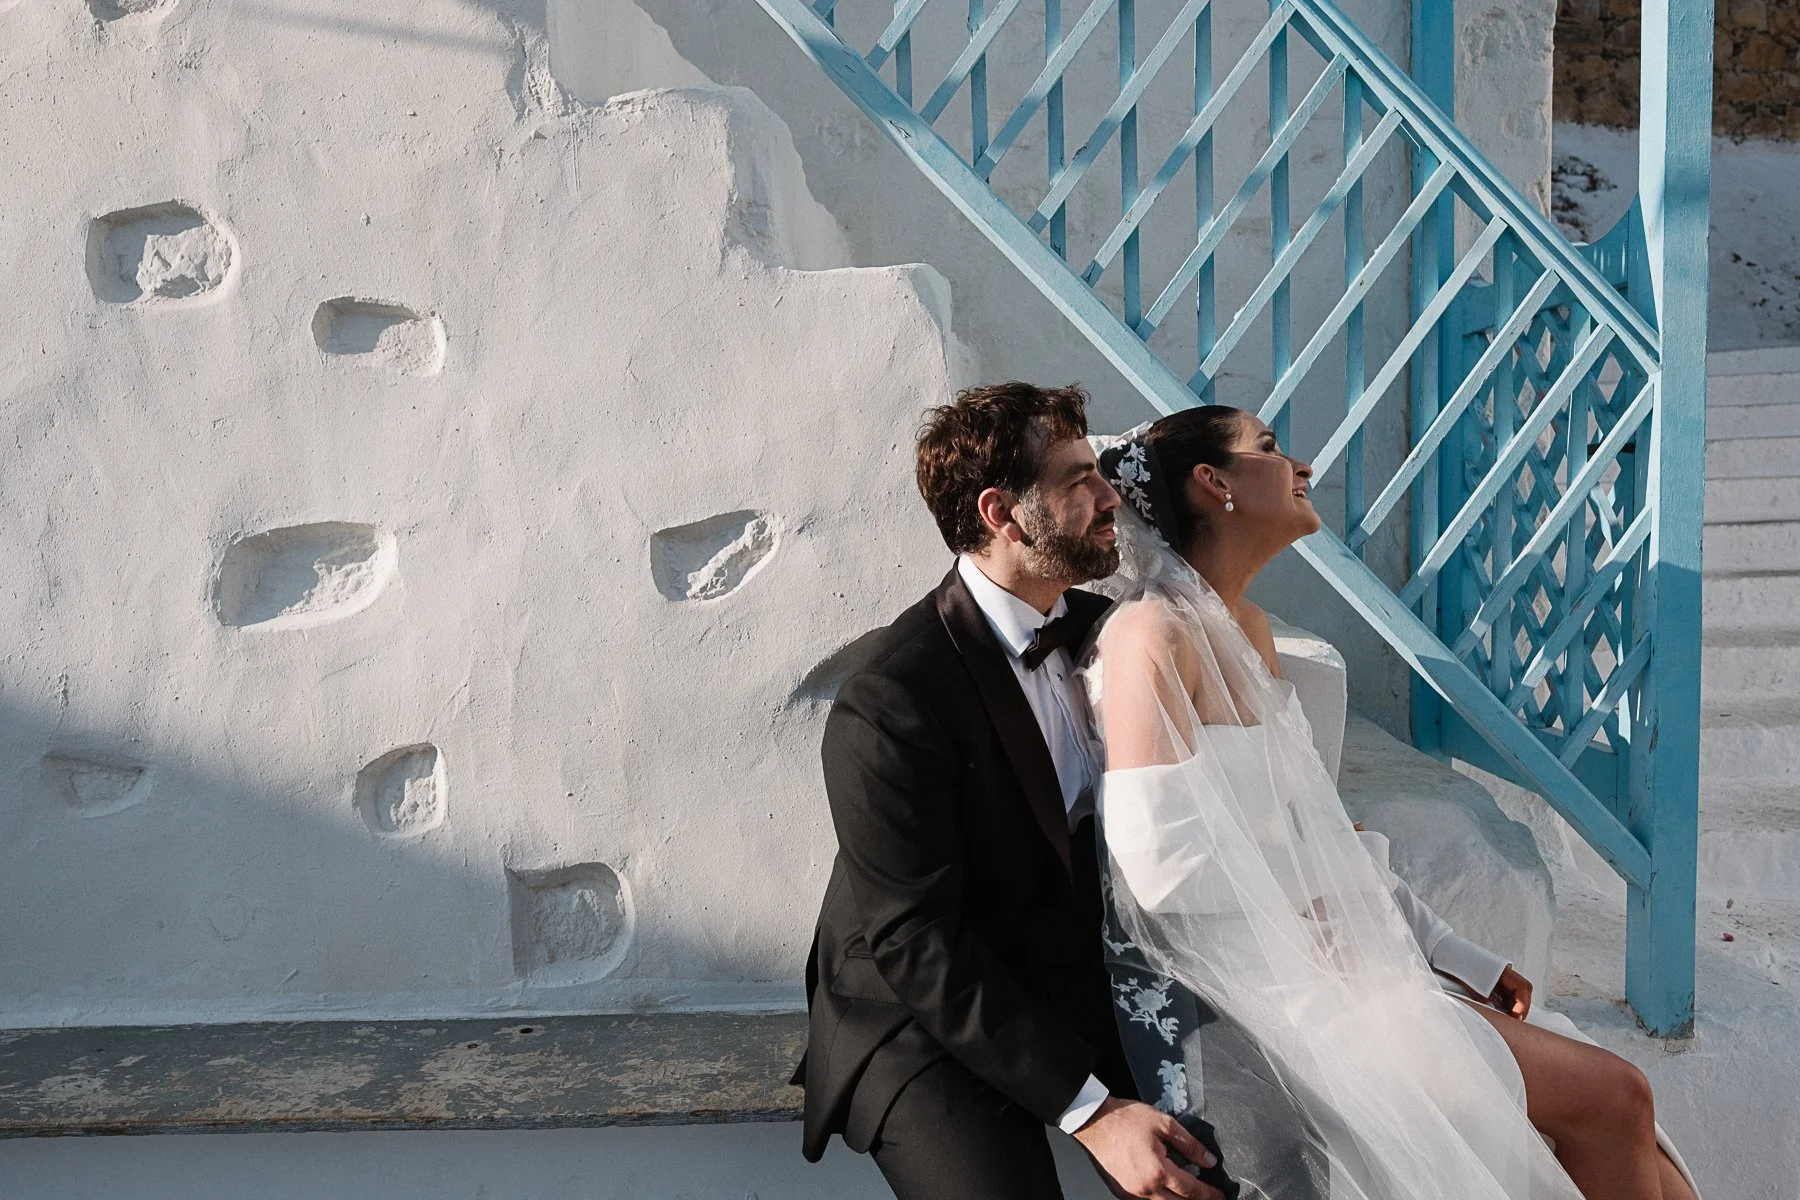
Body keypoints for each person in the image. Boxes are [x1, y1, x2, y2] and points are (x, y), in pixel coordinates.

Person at [1082, 404, 1703, 1200]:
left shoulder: (1247, 629)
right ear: (1214, 483)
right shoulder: (1149, 635)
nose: (1301, 468)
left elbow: (1326, 837)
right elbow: (1157, 866)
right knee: (1617, 1096)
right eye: (1270, 449)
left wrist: (1456, 956)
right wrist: (1305, 919)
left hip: (1357, 966)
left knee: (1647, 1149)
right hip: (1276, 999)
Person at [793, 381, 1237, 1200]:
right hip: (924, 1013)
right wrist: (1096, 1113)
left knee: (1229, 1171)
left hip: (1072, 973)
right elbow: (918, 946)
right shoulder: (892, 700)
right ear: (1002, 513)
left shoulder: (1107, 633)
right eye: (1078, 480)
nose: (1109, 496)